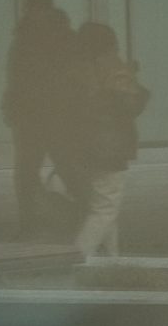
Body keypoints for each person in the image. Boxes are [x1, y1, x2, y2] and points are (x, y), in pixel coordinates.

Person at [58, 22, 149, 260]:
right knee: (105, 208)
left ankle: (112, 261)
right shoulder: (113, 67)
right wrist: (135, 84)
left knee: (101, 205)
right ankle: (77, 257)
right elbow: (130, 105)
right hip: (109, 146)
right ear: (110, 43)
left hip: (81, 146)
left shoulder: (74, 69)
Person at [2, 0, 73, 237]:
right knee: (57, 168)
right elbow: (16, 79)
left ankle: (32, 225)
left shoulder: (34, 37)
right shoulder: (49, 36)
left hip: (43, 115)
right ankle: (34, 224)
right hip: (43, 116)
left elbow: (17, 79)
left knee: (32, 171)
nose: (32, 13)